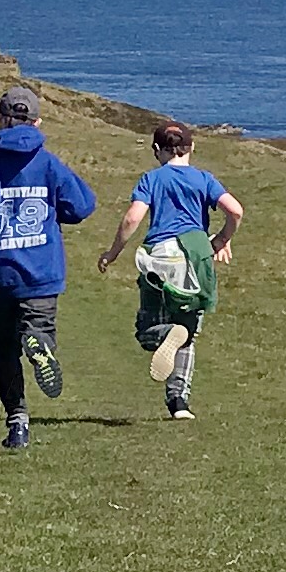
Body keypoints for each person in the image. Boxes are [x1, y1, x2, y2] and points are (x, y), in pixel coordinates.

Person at [0, 83, 97, 453]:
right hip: (41, 271)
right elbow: (82, 205)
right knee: (39, 328)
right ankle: (41, 344)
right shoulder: (48, 162)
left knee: (3, 348)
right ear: (36, 121)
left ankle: (17, 421)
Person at [97, 119, 243, 421]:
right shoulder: (204, 179)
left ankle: (165, 334)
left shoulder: (152, 179)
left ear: (156, 150)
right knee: (187, 332)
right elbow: (235, 210)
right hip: (197, 255)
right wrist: (222, 239)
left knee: (148, 329)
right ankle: (179, 402)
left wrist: (112, 254)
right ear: (192, 147)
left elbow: (132, 219)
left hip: (162, 256)